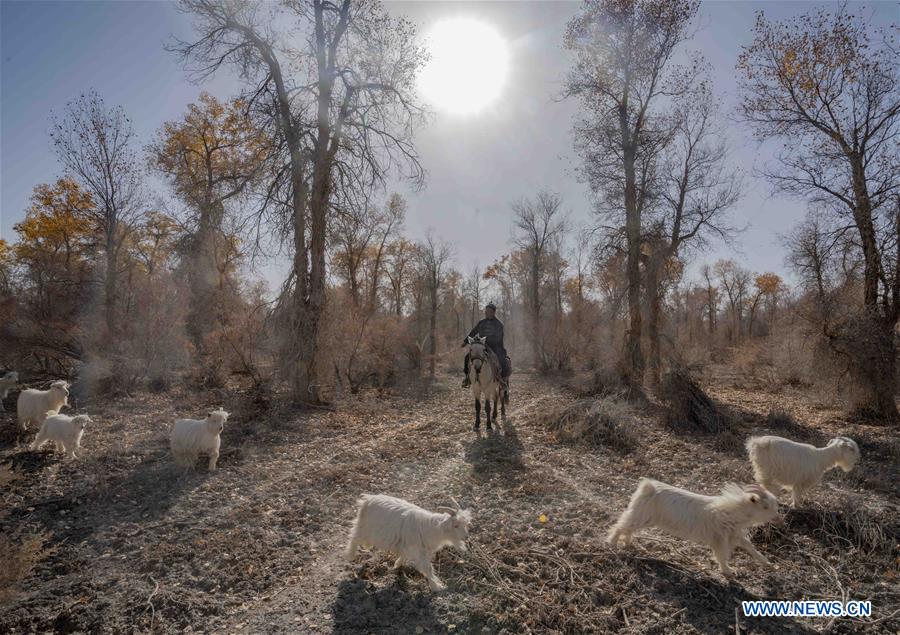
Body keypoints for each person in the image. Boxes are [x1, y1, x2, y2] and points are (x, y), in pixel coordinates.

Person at [462, 302, 511, 389]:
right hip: (481, 345)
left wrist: (486, 342)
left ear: (493, 312)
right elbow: (473, 332)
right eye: (486, 311)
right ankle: (467, 378)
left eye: (489, 311)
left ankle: (503, 380)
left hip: (496, 347)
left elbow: (499, 338)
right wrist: (465, 341)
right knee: (467, 357)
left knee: (502, 360)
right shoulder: (481, 322)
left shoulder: (499, 324)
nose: (487, 313)